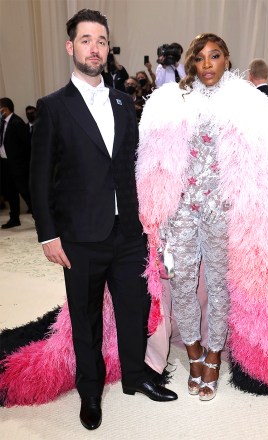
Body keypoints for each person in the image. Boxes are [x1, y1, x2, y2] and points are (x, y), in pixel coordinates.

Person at [136, 33, 268, 400]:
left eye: (214, 56)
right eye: (199, 58)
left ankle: (215, 352)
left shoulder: (247, 103)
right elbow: (156, 162)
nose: (207, 64)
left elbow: (264, 165)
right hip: (182, 212)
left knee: (219, 286)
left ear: (226, 59)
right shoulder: (172, 101)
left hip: (223, 212)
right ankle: (195, 351)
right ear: (192, 64)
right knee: (183, 286)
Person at [29, 8, 177, 431]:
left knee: (134, 308)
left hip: (127, 232)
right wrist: (47, 236)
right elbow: (39, 180)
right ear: (70, 46)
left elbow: (132, 164)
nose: (95, 48)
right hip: (79, 236)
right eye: (86, 40)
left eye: (101, 41)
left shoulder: (122, 101)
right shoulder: (53, 107)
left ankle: (136, 376)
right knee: (86, 317)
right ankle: (89, 390)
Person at [0, 97, 32, 228]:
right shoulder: (2, 124)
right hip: (6, 165)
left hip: (18, 166)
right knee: (11, 192)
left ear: (6, 109)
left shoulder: (17, 122)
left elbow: (27, 145)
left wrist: (25, 165)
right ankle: (14, 218)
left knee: (26, 192)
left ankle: (41, 219)